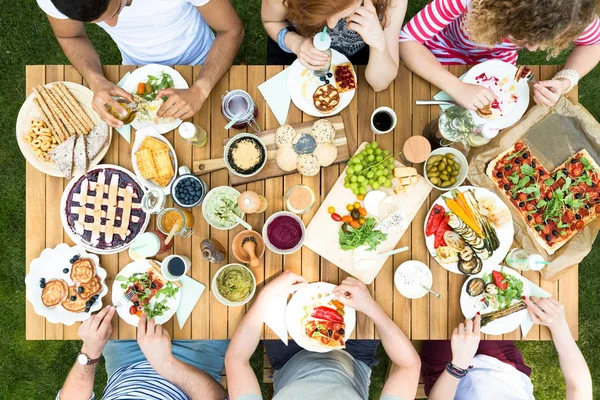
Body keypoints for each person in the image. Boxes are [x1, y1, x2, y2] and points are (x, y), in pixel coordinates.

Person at [36, 0, 244, 128]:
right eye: (99, 22)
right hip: (134, 69)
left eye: (118, 10)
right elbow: (70, 37)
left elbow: (231, 30)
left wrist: (201, 89)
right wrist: (96, 80)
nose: (113, 24)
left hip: (203, 62)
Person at [225, 271, 421, 399]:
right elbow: (408, 366)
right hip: (355, 357)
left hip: (288, 359)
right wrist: (370, 306)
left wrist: (267, 296)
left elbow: (236, 361)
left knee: (276, 267)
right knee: (365, 275)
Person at [398, 0, 600, 110]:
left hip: (499, 60)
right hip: (445, 46)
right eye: (522, 35)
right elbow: (408, 40)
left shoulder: (572, 11)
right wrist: (456, 87)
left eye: (542, 41)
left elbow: (595, 44)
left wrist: (565, 81)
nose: (530, 49)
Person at [421, 297, 593, 399]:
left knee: (440, 313)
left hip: (449, 380)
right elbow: (579, 387)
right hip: (503, 365)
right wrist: (558, 326)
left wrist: (458, 365)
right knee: (488, 299)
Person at [56, 305, 228, 400]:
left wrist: (90, 352)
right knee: (221, 303)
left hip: (124, 360)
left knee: (112, 285)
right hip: (196, 363)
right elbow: (217, 397)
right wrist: (165, 364)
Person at [262, 0, 407, 91]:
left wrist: (378, 45)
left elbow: (379, 84)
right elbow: (271, 21)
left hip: (357, 62)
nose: (331, 25)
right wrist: (296, 43)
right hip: (293, 55)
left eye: (341, 14)